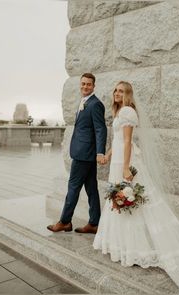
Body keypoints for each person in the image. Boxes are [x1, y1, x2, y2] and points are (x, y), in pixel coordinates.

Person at [93, 81, 179, 294]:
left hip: (125, 162)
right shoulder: (119, 112)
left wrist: (126, 167)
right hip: (117, 160)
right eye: (115, 90)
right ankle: (127, 247)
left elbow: (127, 142)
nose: (117, 93)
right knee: (122, 202)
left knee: (136, 203)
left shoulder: (127, 111)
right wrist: (108, 155)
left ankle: (137, 249)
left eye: (121, 91)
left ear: (127, 94)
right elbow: (117, 140)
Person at [47, 73, 107, 234]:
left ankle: (65, 221)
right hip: (84, 153)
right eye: (83, 84)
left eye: (88, 84)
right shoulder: (84, 101)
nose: (85, 87)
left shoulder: (95, 104)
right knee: (91, 189)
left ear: (94, 86)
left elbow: (101, 129)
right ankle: (94, 223)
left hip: (84, 154)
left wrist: (100, 152)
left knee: (73, 187)